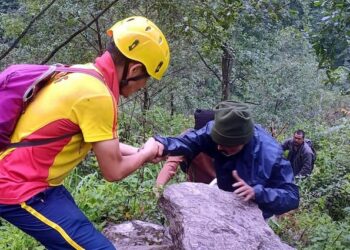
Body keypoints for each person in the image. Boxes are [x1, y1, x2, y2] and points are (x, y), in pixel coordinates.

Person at [0, 16, 169, 249]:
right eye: (146, 78)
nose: (144, 85)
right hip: (20, 188)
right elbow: (113, 171)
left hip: (41, 184)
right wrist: (144, 154)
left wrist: (143, 152)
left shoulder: (83, 74)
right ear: (135, 68)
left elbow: (97, 140)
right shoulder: (98, 96)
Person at [154, 101, 299, 219]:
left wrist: (258, 193)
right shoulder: (216, 131)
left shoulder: (269, 154)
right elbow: (188, 142)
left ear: (242, 142)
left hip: (256, 212)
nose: (217, 148)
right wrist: (161, 144)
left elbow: (292, 197)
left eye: (225, 145)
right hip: (223, 195)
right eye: (217, 142)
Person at [156, 109, 216, 186]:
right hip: (196, 186)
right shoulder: (187, 139)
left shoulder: (225, 139)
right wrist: (157, 189)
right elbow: (171, 164)